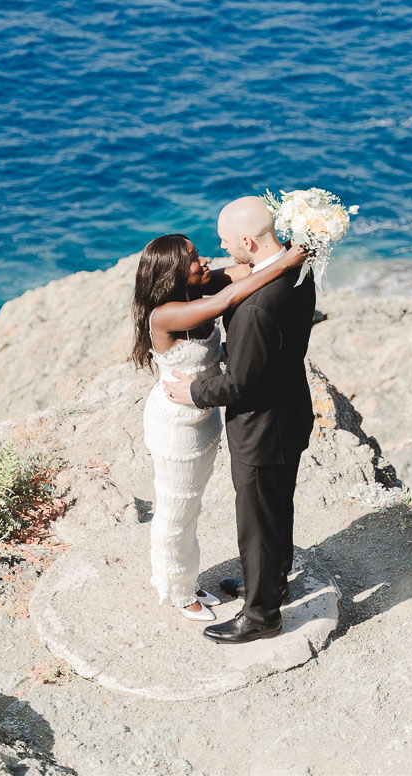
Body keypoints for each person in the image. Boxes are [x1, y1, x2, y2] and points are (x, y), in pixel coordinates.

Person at [131, 233, 308, 621]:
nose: (204, 261)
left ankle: (196, 578)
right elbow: (225, 302)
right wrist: (285, 262)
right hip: (176, 425)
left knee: (192, 506)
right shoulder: (165, 314)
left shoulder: (202, 284)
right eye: (194, 259)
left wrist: (287, 241)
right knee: (176, 509)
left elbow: (246, 269)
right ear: (173, 273)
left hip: (204, 419)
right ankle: (177, 590)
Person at [165, 197, 316, 643]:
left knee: (256, 522)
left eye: (226, 239)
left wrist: (192, 392)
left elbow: (239, 386)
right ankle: (271, 584)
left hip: (261, 428)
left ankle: (260, 615)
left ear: (248, 241)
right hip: (291, 410)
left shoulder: (254, 308)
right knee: (277, 508)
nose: (220, 244)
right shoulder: (296, 268)